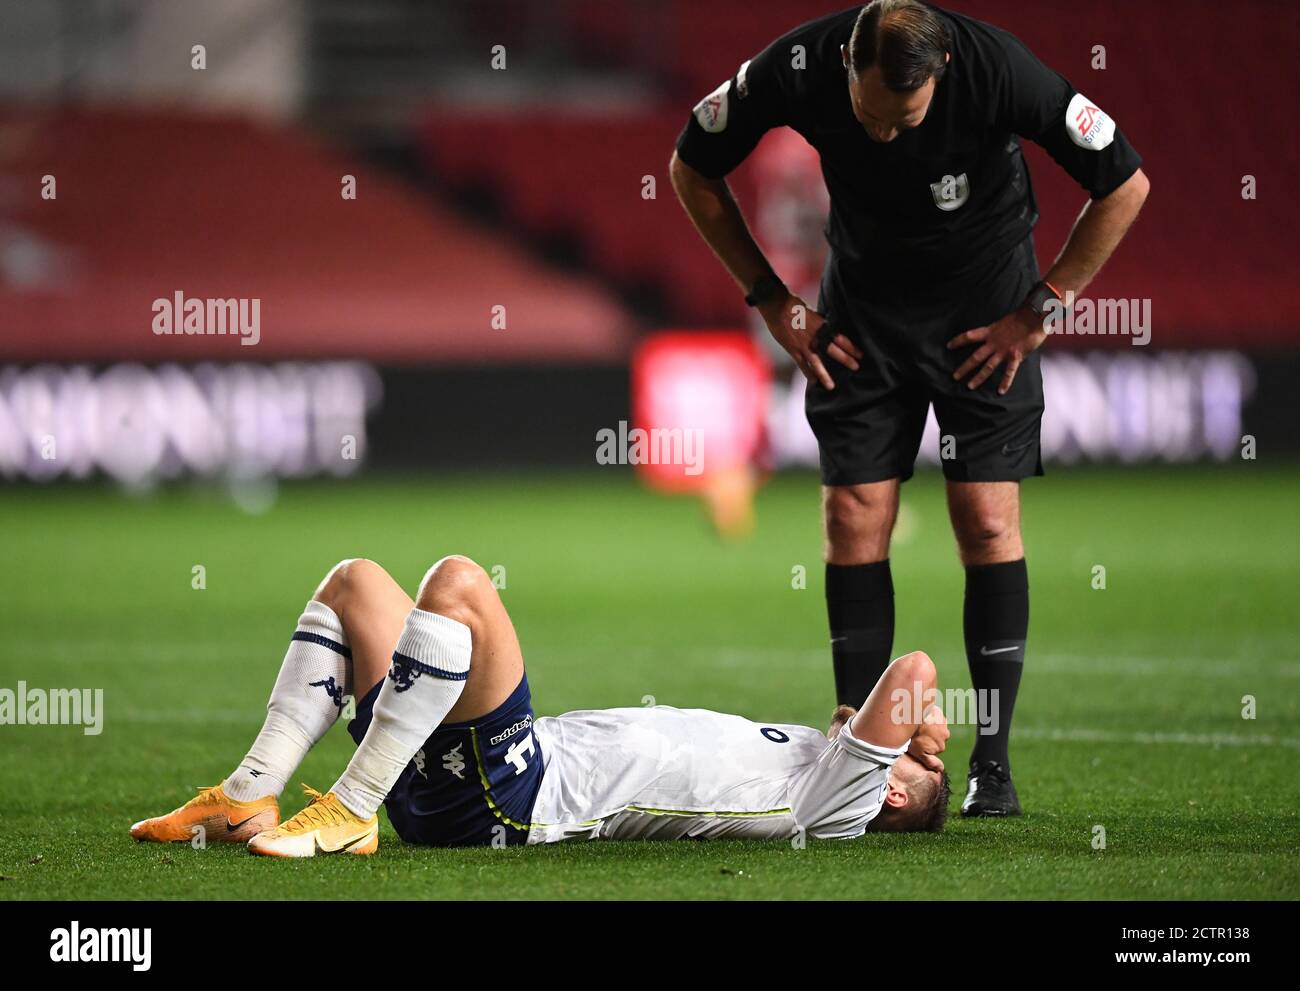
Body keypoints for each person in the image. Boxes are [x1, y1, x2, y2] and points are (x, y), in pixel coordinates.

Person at [669, 0, 1149, 814]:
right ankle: (854, 752)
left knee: (987, 520)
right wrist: (772, 300)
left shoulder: (1001, 69)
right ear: (846, 69)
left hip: (985, 317)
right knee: (854, 515)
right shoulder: (800, 64)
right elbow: (691, 164)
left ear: (944, 75)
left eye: (906, 119)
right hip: (863, 320)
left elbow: (1125, 182)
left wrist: (1042, 308)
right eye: (869, 118)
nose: (885, 135)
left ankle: (992, 767)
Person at [130, 555, 950, 855]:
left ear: (894, 790)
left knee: (459, 586)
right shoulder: (822, 761)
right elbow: (877, 703)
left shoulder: (838, 808)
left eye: (904, 757)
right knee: (355, 585)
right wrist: (868, 718)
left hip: (512, 798)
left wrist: (927, 717)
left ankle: (351, 807)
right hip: (475, 763)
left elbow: (912, 669)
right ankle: (247, 795)